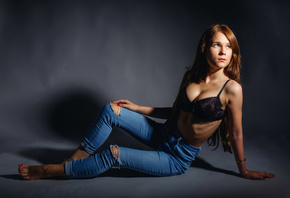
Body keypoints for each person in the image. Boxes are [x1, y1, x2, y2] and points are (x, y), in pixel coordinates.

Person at [18, 24, 274, 180]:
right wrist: (137, 107)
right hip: (163, 134)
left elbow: (236, 132)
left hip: (177, 156)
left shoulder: (232, 89)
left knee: (113, 154)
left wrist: (244, 170)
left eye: (228, 47)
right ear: (205, 47)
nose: (222, 51)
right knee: (112, 109)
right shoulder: (192, 78)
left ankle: (50, 172)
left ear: (233, 53)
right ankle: (70, 163)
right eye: (217, 45)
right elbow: (175, 112)